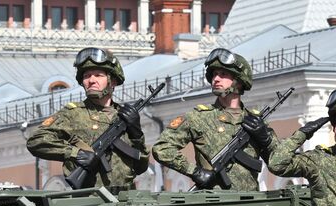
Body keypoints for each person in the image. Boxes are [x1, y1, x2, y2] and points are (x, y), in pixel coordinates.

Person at [26, 47, 149, 190]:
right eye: (87, 76)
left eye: (98, 75)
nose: (91, 80)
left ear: (113, 81)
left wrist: (136, 133)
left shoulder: (125, 117)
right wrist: (76, 154)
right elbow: (36, 141)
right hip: (90, 198)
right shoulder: (73, 113)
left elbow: (141, 167)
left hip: (125, 200)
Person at [152, 49, 272, 190]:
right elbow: (162, 148)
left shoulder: (255, 122)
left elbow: (280, 163)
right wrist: (194, 171)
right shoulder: (199, 117)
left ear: (239, 81)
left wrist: (266, 140)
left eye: (223, 74)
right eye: (214, 74)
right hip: (212, 203)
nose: (216, 79)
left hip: (249, 203)